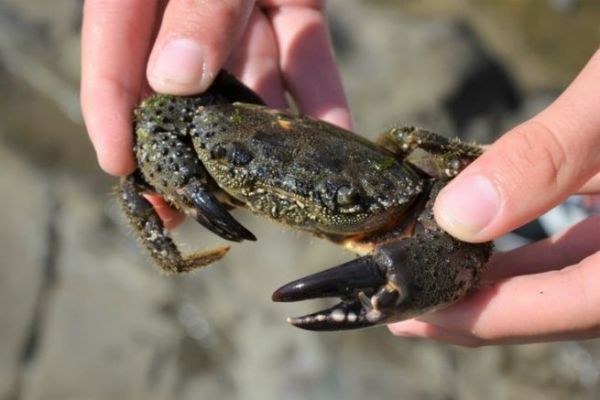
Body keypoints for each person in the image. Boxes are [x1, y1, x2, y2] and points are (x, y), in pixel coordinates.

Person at [81, 1, 600, 346]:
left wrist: (474, 176)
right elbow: (158, 119)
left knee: (466, 227)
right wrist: (187, 198)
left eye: (341, 200)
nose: (282, 203)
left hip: (384, 221)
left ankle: (555, 200)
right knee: (146, 137)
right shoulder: (201, 126)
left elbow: (453, 223)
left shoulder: (409, 201)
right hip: (247, 150)